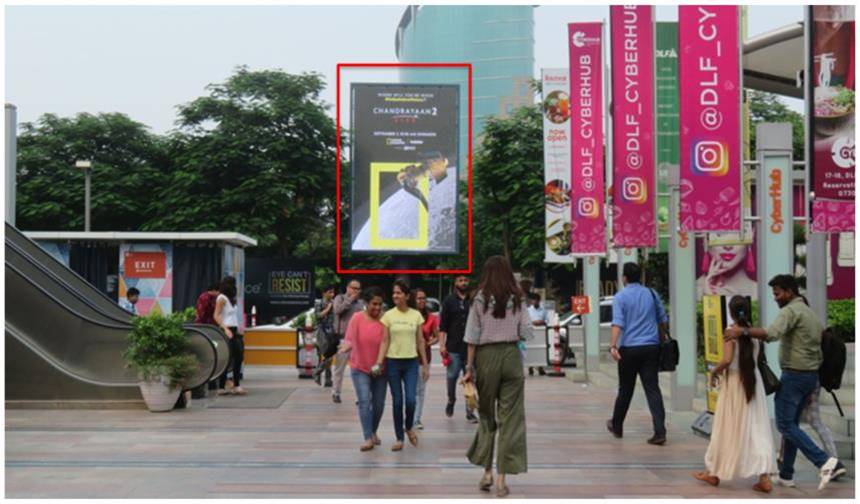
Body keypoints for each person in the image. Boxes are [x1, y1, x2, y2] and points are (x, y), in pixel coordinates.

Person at [724, 274, 847, 490]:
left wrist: (741, 331)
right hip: (810, 377)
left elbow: (771, 334)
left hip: (794, 376)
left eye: (778, 293)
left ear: (789, 292)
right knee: (792, 425)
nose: (775, 298)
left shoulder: (791, 311)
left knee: (784, 424)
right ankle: (786, 474)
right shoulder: (809, 312)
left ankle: (825, 462)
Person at [462, 255, 531, 498]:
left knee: (486, 416)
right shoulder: (519, 297)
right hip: (511, 356)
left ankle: (487, 472)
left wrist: (469, 368)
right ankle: (502, 479)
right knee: (510, 419)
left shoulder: (479, 298)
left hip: (486, 357)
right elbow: (525, 331)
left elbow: (471, 336)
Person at [692, 296, 775, 493]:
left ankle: (714, 471)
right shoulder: (753, 334)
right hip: (753, 384)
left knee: (726, 426)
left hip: (734, 384)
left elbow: (728, 359)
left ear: (730, 312)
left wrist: (714, 371)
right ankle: (764, 476)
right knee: (756, 427)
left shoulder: (730, 332)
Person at [607, 262, 668, 445]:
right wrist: (662, 340)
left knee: (625, 389)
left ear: (624, 278)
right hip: (651, 348)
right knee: (653, 389)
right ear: (639, 277)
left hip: (630, 349)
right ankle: (660, 431)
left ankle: (617, 426)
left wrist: (613, 346)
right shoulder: (651, 293)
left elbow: (618, 323)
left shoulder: (620, 297)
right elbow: (662, 319)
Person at [373, 281, 430, 451]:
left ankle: (409, 427)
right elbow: (385, 340)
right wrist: (378, 362)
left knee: (411, 400)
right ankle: (399, 438)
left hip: (412, 363)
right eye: (394, 293)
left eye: (398, 293)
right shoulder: (388, 316)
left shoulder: (416, 315)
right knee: (397, 402)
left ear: (406, 296)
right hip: (393, 363)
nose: (395, 296)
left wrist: (425, 364)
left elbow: (420, 341)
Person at [337, 286, 388, 452]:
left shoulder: (386, 320)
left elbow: (389, 342)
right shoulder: (357, 318)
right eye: (374, 304)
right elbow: (349, 338)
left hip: (380, 369)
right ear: (366, 303)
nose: (377, 308)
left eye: (380, 304)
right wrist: (345, 347)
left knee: (379, 404)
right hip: (360, 368)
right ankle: (367, 437)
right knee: (364, 401)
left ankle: (373, 431)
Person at [439, 274, 478, 423]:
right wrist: (442, 345)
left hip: (470, 347)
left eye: (466, 280)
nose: (463, 283)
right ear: (455, 282)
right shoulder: (449, 300)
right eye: (460, 280)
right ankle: (451, 399)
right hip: (453, 347)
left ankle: (470, 410)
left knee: (470, 378)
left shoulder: (474, 301)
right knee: (452, 377)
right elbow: (443, 326)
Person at [330, 279, 366, 404]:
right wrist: (350, 299)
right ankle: (336, 392)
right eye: (353, 288)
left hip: (357, 340)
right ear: (347, 287)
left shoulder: (360, 303)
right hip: (343, 338)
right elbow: (338, 310)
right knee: (339, 368)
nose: (355, 291)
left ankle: (358, 396)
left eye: (358, 289)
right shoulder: (339, 298)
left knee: (357, 369)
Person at [410, 287, 440, 430]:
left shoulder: (431, 318)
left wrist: (428, 343)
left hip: (423, 358)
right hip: (407, 356)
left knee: (420, 390)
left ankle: (416, 419)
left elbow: (437, 336)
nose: (422, 301)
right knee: (410, 390)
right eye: (419, 298)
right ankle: (409, 416)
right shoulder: (407, 315)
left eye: (424, 298)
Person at [696, 235, 757, 300]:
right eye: (719, 234)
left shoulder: (760, 291)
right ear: (705, 237)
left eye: (736, 234)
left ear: (752, 234)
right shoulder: (691, 290)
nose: (728, 246)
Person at [215, 276, 246, 395]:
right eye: (233, 284)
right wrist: (225, 328)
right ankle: (222, 386)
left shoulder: (231, 299)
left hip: (234, 330)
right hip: (226, 330)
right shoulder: (221, 298)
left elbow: (233, 317)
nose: (234, 287)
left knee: (238, 357)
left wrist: (238, 330)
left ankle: (235, 385)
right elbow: (216, 316)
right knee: (227, 358)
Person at [313, 285, 336, 387]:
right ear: (324, 293)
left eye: (333, 292)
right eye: (330, 292)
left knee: (329, 356)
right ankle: (317, 372)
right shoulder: (319, 303)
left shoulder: (334, 302)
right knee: (328, 356)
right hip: (321, 331)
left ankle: (327, 380)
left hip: (331, 331)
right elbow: (318, 316)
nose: (332, 294)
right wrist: (328, 308)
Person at [526, 292, 547, 376]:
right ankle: (530, 367)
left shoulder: (543, 310)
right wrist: (533, 322)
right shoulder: (528, 310)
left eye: (537, 300)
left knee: (540, 349)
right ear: (531, 301)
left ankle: (540, 367)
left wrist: (542, 322)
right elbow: (526, 321)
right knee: (531, 349)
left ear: (539, 301)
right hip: (531, 332)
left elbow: (547, 321)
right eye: (533, 300)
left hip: (540, 332)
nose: (535, 302)